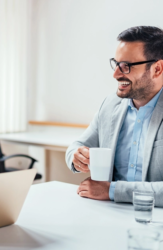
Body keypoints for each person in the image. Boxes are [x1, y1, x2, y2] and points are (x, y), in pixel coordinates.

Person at [66, 26, 163, 206]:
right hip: (109, 213)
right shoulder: (110, 105)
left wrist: (112, 190)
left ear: (157, 69)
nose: (116, 74)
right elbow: (78, 145)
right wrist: (76, 156)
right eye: (116, 63)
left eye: (127, 66)